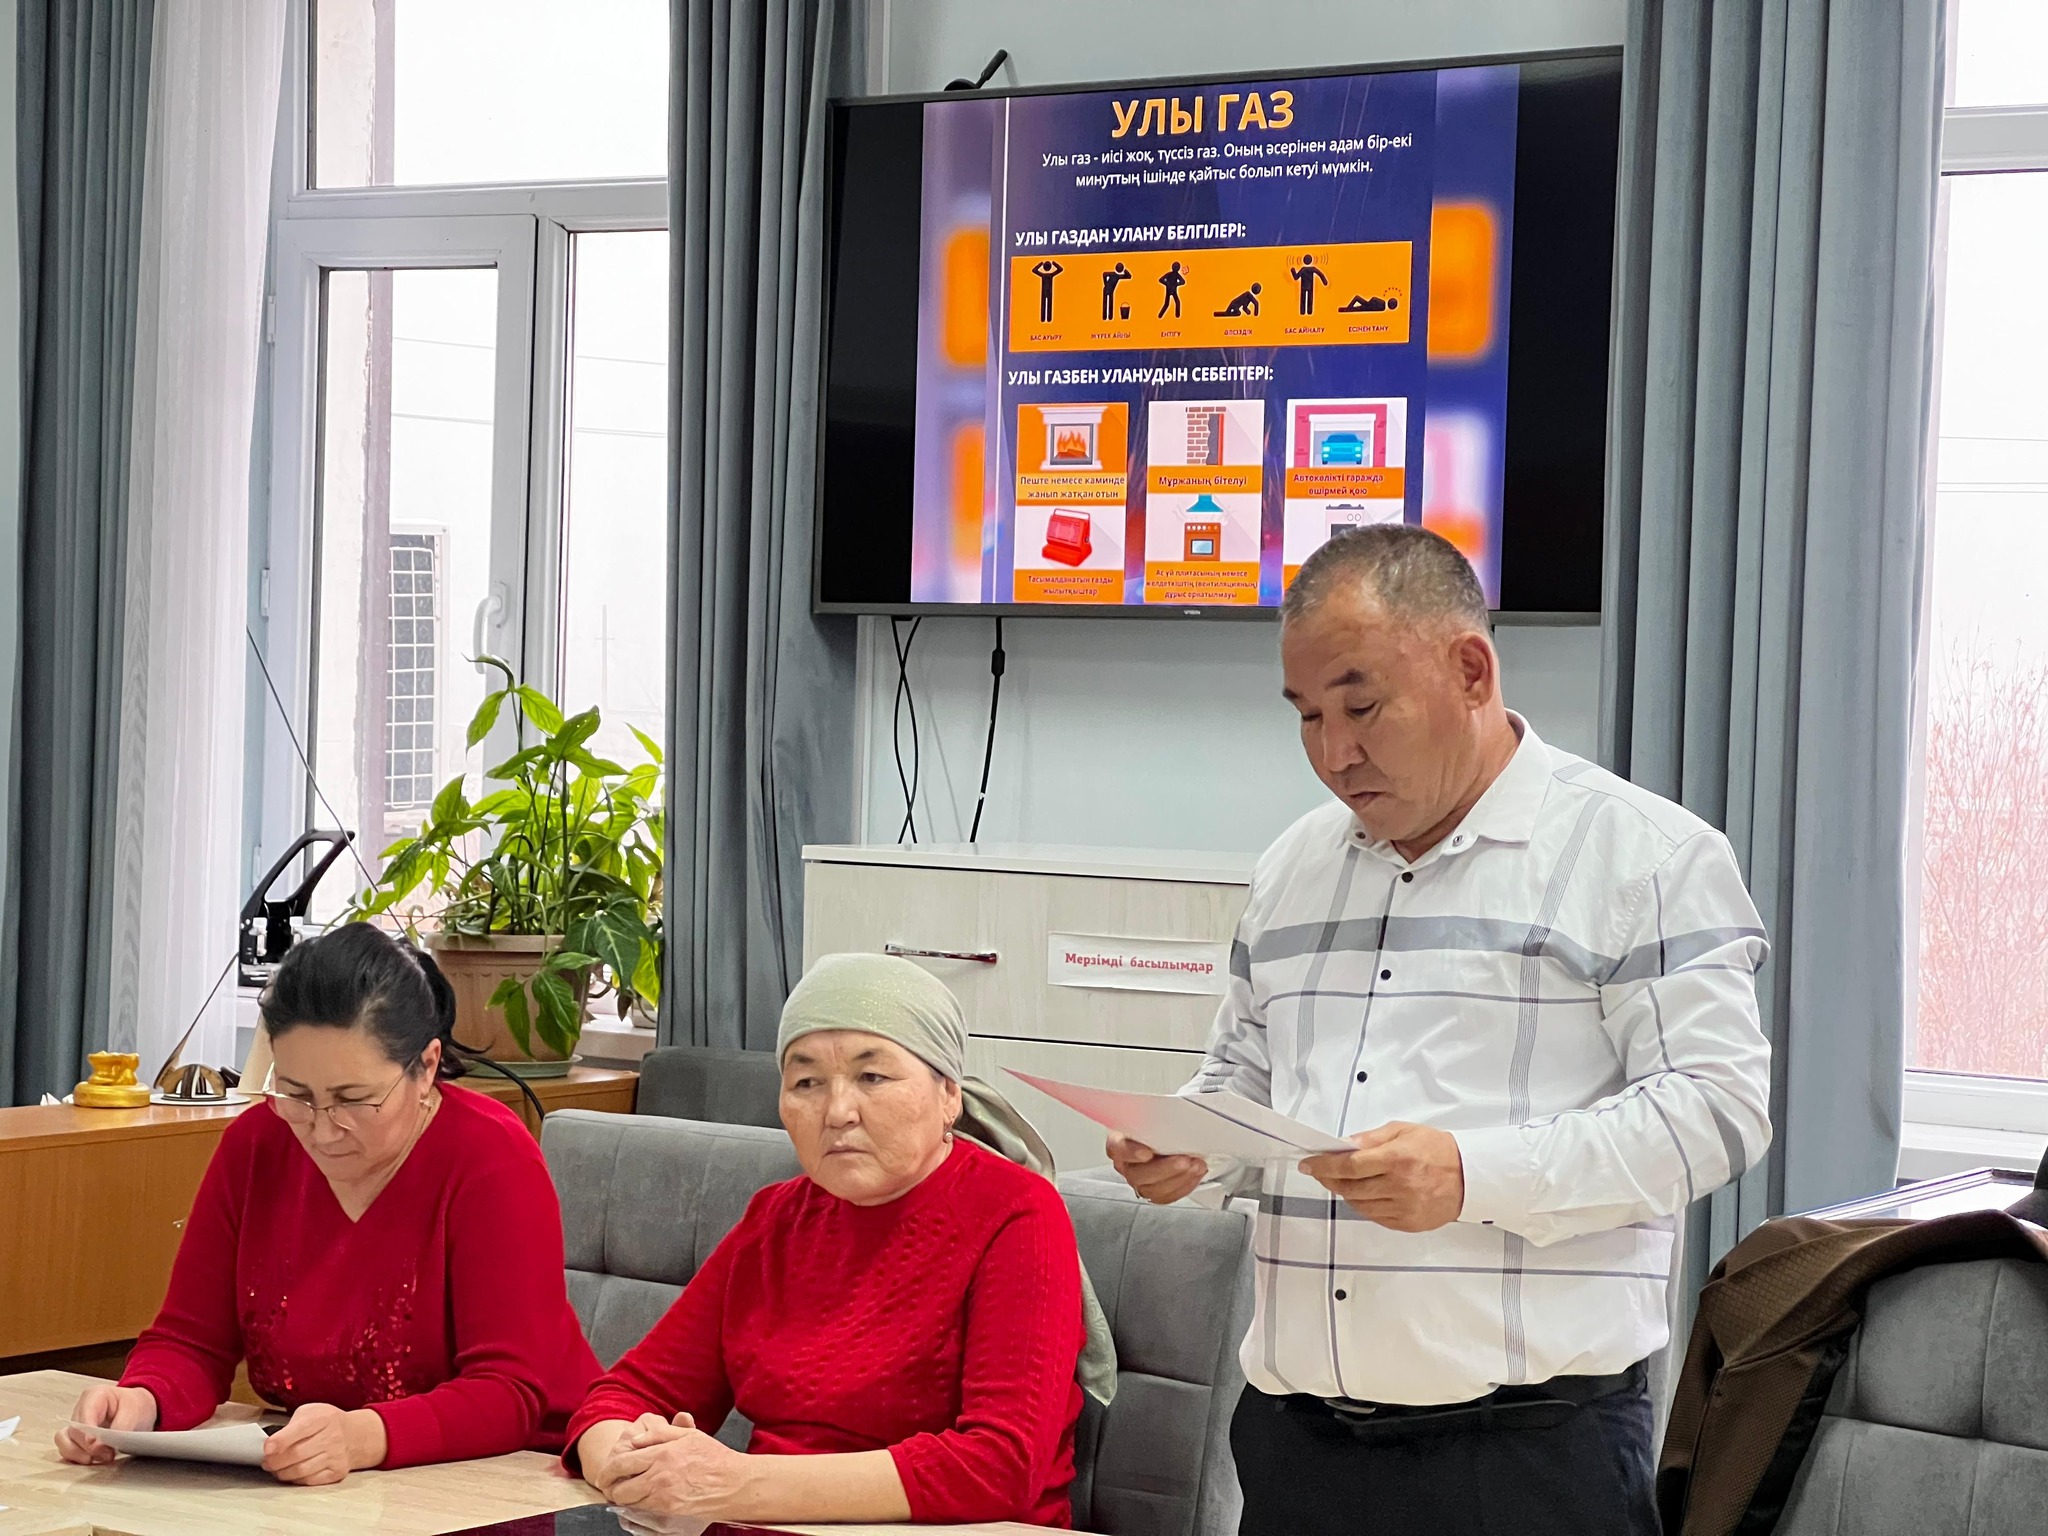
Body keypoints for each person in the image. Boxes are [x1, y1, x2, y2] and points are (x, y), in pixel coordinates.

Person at [1110, 524, 1772, 1536]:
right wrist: (1190, 1143)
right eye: (1306, 716)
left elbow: (1715, 1112)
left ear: (1470, 671)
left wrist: (1471, 1175)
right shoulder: (1292, 868)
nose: (1333, 753)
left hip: (1526, 1457)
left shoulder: (1643, 857)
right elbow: (1243, 1075)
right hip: (1297, 1448)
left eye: (1362, 706)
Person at [565, 953, 1112, 1527]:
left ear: (949, 1094)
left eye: (872, 1077)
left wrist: (733, 1485)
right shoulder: (776, 1218)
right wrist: (628, 1466)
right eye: (806, 1083)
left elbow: (1000, 1467)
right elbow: (622, 1397)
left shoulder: (1016, 1211)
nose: (837, 1112)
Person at [56, 923, 600, 1485]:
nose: (321, 1129)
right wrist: (142, 1400)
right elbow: (191, 1341)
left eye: (353, 1099)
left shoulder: (490, 1157)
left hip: (523, 1478)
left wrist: (362, 1436)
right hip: (340, 1485)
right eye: (296, 1094)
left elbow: (510, 1392)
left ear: (426, 1067)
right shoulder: (256, 1145)